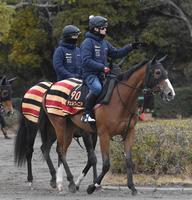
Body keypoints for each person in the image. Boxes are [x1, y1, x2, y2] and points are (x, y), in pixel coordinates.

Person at [80, 15, 147, 123]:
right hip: (90, 75)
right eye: (103, 28)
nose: (106, 29)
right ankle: (86, 114)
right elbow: (86, 61)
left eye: (106, 27)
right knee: (97, 88)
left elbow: (116, 53)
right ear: (95, 29)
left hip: (103, 74)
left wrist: (131, 47)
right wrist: (102, 67)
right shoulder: (87, 43)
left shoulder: (104, 43)